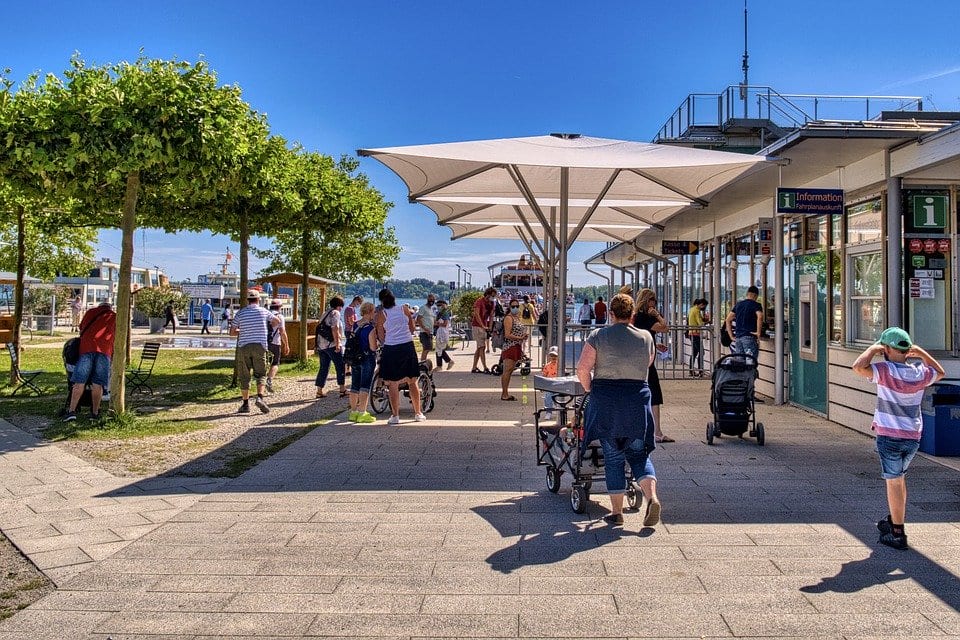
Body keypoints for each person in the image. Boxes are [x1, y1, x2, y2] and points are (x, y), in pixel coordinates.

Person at [852, 327, 944, 550]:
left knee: (893, 482)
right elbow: (939, 372)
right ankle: (894, 519)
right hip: (912, 437)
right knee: (900, 479)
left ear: (887, 349)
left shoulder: (885, 370)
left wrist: (872, 349)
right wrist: (920, 353)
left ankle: (897, 533)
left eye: (884, 347)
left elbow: (858, 367)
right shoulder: (920, 372)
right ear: (908, 350)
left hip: (889, 436)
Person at [576, 293, 661, 527]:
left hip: (607, 400)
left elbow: (583, 369)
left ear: (611, 314)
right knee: (639, 454)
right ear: (632, 314)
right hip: (637, 401)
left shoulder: (598, 336)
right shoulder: (646, 337)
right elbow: (648, 363)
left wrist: (590, 389)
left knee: (613, 457)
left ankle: (616, 512)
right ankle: (652, 498)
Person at [373, 288, 425, 424]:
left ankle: (395, 415)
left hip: (391, 348)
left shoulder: (382, 314)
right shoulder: (404, 309)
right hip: (407, 346)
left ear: (381, 301)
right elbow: (412, 328)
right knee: (412, 380)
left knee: (392, 383)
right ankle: (418, 413)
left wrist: (387, 340)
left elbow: (380, 334)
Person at [632, 288, 674, 443]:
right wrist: (657, 315)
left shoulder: (636, 317)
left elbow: (642, 338)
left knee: (639, 393)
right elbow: (665, 327)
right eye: (653, 300)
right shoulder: (647, 317)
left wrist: (656, 345)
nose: (655, 303)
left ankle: (642, 430)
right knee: (655, 394)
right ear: (647, 301)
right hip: (647, 362)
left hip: (638, 359)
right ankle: (657, 432)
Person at [63, 302, 116, 422]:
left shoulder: (90, 312)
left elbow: (81, 328)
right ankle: (95, 413)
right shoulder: (114, 316)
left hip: (86, 350)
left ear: (99, 306)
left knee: (79, 382)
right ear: (110, 308)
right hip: (104, 351)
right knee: (98, 384)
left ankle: (71, 411)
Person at [230, 289, 279, 414]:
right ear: (258, 300)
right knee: (261, 374)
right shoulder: (264, 311)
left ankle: (245, 404)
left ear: (248, 300)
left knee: (244, 375)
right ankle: (260, 398)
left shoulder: (241, 313)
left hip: (244, 347)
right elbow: (276, 321)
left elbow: (232, 332)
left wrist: (242, 330)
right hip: (260, 346)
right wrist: (266, 328)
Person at [347, 301, 378, 423]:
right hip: (366, 358)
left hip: (355, 358)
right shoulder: (370, 328)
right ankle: (362, 412)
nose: (374, 314)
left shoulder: (355, 325)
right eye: (374, 312)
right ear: (369, 312)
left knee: (354, 385)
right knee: (365, 385)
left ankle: (353, 412)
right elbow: (373, 347)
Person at [315, 297, 347, 399]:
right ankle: (342, 389)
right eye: (341, 306)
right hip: (331, 344)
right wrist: (337, 344)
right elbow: (335, 328)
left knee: (324, 367)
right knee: (340, 365)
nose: (341, 308)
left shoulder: (325, 313)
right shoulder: (335, 313)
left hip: (321, 344)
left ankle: (319, 390)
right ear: (339, 305)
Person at [499, 298, 529, 401]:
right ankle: (504, 394)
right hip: (510, 346)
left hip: (516, 346)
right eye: (513, 306)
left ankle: (505, 393)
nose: (515, 308)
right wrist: (520, 338)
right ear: (509, 307)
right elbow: (507, 334)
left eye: (517, 306)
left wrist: (523, 336)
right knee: (507, 370)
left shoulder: (516, 317)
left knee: (510, 370)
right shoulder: (509, 318)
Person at [725, 285, 763, 362]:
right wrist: (758, 332)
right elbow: (760, 316)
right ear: (755, 295)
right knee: (750, 363)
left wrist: (731, 336)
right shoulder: (756, 305)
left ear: (747, 294)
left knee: (740, 363)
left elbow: (728, 320)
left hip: (738, 338)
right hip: (749, 337)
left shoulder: (738, 304)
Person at [265, 300, 289, 393]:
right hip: (275, 342)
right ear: (280, 307)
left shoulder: (265, 315)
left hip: (263, 342)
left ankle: (261, 382)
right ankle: (269, 380)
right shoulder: (279, 316)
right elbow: (282, 332)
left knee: (264, 362)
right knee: (275, 363)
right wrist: (286, 345)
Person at [471, 287, 496, 373]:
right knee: (482, 347)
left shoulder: (491, 303)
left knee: (479, 348)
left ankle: (474, 367)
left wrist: (490, 327)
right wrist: (482, 325)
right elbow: (477, 314)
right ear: (488, 295)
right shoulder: (479, 301)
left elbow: (491, 316)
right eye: (492, 295)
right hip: (477, 326)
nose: (493, 297)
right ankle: (485, 367)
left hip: (484, 326)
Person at [687, 298, 709, 377]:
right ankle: (700, 371)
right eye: (704, 306)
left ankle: (691, 370)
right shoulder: (696, 311)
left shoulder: (692, 309)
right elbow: (700, 323)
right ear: (701, 304)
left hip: (691, 333)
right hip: (695, 334)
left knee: (694, 353)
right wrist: (706, 321)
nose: (704, 308)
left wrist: (703, 319)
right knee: (701, 352)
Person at [434, 299, 454, 370]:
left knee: (439, 349)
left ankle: (441, 365)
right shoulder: (440, 313)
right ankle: (442, 364)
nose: (438, 307)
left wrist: (437, 324)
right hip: (440, 332)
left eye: (439, 305)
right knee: (439, 349)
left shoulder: (445, 313)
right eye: (437, 305)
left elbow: (445, 324)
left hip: (442, 333)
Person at [540, 345, 559, 421]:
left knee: (558, 398)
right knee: (548, 397)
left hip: (558, 384)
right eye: (552, 356)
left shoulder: (560, 365)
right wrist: (542, 385)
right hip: (550, 384)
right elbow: (544, 375)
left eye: (555, 356)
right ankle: (548, 411)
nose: (553, 357)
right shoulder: (547, 365)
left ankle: (558, 410)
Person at [416, 295, 436, 363]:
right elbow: (418, 319)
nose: (431, 301)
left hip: (430, 332)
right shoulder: (423, 308)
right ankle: (422, 363)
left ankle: (423, 362)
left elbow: (432, 320)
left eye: (433, 300)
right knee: (426, 349)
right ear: (427, 299)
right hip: (424, 332)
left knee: (428, 348)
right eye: (430, 299)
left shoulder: (431, 309)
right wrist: (424, 328)